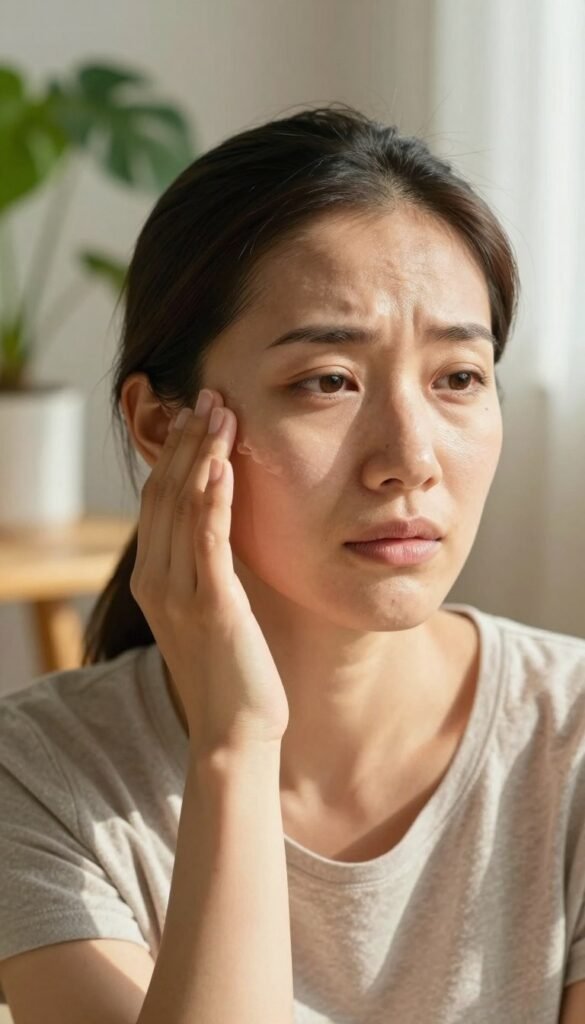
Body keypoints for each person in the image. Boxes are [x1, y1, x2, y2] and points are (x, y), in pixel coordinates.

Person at [0, 103, 584, 1024]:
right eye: (327, 381)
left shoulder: (570, 741)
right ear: (163, 425)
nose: (409, 456)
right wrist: (234, 746)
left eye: (457, 379)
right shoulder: (38, 777)